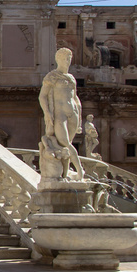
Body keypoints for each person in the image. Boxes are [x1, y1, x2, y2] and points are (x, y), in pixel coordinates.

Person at [38, 48, 84, 181]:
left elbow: (75, 98)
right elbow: (43, 96)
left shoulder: (71, 78)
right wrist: (47, 113)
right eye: (65, 58)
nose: (68, 61)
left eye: (69, 58)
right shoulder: (52, 76)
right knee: (64, 141)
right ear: (58, 59)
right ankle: (80, 170)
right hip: (60, 114)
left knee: (66, 144)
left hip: (73, 113)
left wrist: (79, 116)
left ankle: (64, 173)